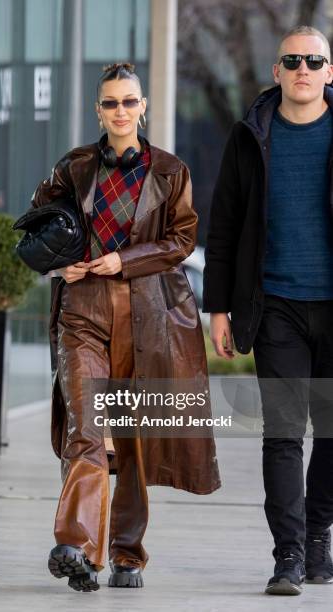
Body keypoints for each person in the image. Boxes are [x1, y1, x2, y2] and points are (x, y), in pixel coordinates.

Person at [30, 62, 221, 592]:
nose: (120, 110)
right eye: (110, 102)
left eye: (129, 101)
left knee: (135, 440)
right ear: (98, 109)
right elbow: (37, 223)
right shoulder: (74, 167)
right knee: (86, 428)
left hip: (147, 318)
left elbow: (182, 240)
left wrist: (126, 259)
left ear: (143, 107)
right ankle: (78, 546)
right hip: (82, 312)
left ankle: (127, 553)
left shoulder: (170, 171)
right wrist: (58, 261)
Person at [204, 25, 333, 596]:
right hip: (274, 305)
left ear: (329, 72)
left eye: (314, 60)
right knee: (283, 435)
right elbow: (225, 226)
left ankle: (317, 536)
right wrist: (219, 309)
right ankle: (289, 557)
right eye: (292, 59)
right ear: (276, 71)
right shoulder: (250, 137)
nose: (302, 68)